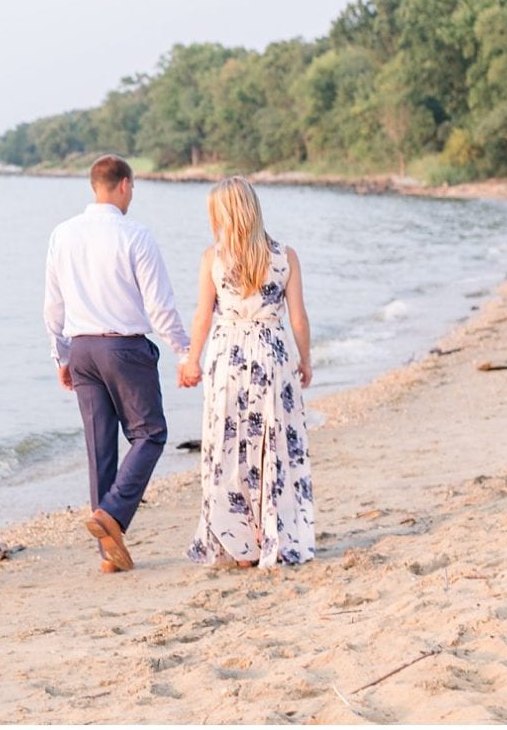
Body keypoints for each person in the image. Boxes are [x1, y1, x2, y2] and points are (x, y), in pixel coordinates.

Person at [44, 154, 191, 573]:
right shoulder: (135, 234)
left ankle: (110, 555)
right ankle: (111, 512)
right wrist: (183, 351)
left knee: (100, 449)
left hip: (83, 349)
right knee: (151, 434)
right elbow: (160, 306)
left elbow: (52, 304)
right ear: (124, 185)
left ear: (95, 186)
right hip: (124, 348)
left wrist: (61, 355)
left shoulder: (63, 234)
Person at [179, 176, 316, 568]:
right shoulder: (284, 256)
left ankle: (240, 545)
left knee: (229, 445)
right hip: (272, 357)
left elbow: (202, 316)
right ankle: (270, 534)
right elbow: (299, 319)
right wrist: (305, 360)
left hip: (228, 358)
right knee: (269, 444)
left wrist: (192, 360)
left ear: (222, 214)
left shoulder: (213, 258)